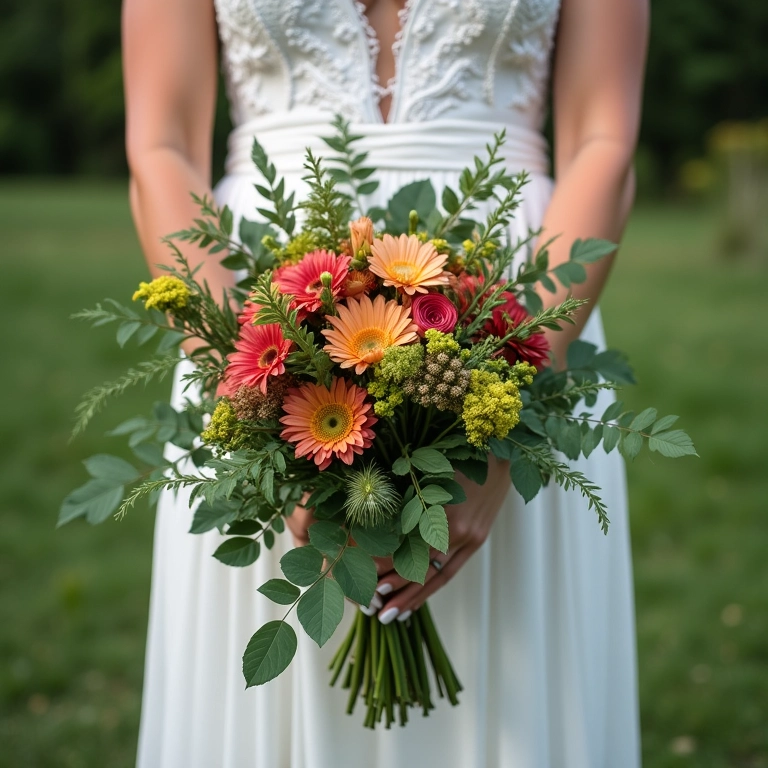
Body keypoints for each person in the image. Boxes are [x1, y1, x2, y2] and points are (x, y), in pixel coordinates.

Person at [124, 0, 647, 766]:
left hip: (519, 303)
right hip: (254, 301)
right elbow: (160, 143)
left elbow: (604, 138)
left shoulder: (517, 349)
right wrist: (255, 391)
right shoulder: (252, 358)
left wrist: (509, 411)